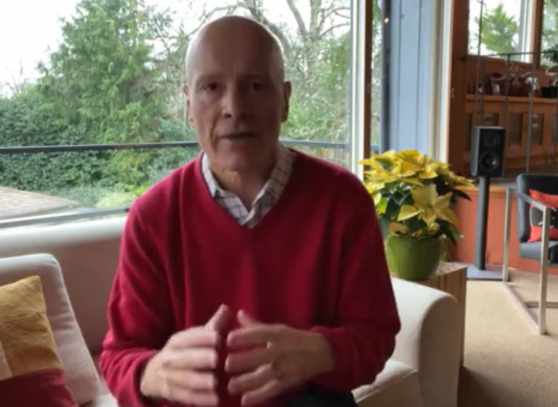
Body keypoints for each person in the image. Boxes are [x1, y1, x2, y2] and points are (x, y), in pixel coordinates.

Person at [99, 15, 401, 407]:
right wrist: (151, 373)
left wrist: (322, 352)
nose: (234, 108)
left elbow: (375, 337)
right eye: (211, 87)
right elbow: (118, 355)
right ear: (188, 104)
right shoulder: (153, 216)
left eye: (255, 86)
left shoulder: (343, 201)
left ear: (285, 99)